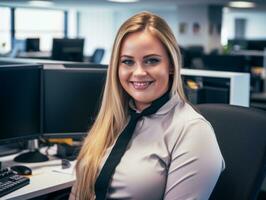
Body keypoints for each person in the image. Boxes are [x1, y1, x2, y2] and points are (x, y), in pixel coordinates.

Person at [69, 11, 224, 200]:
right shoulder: (113, 118)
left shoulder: (192, 131)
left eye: (151, 60)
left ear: (171, 65)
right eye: (127, 61)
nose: (139, 72)